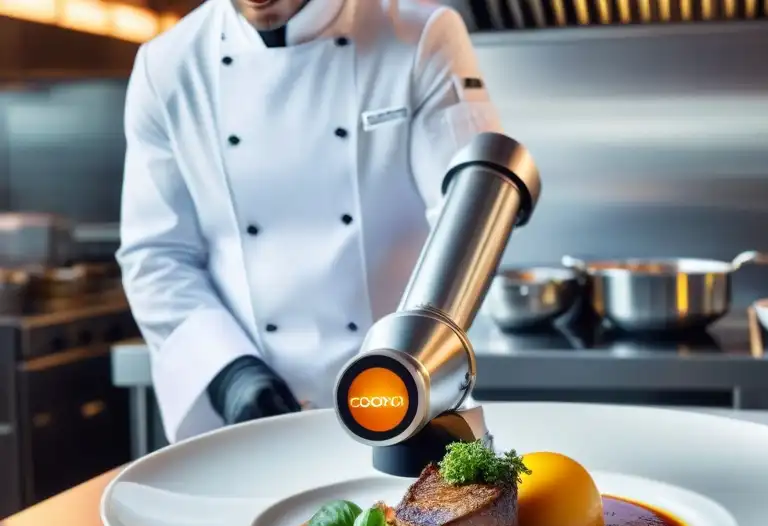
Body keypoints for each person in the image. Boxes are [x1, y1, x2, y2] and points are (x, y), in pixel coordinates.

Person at [116, 0, 501, 443]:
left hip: (411, 387)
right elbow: (157, 254)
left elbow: (467, 217)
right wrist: (229, 372)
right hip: (251, 416)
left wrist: (417, 357)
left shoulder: (418, 33)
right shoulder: (168, 64)